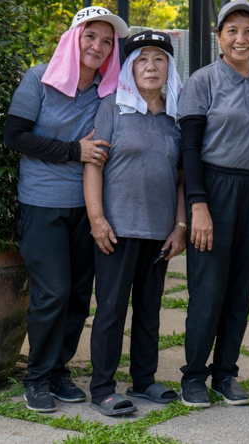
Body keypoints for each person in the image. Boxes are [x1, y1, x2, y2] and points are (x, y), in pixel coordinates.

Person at [4, 6, 129, 413]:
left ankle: (58, 371)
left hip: (88, 207)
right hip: (42, 204)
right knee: (52, 291)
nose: (98, 46)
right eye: (90, 36)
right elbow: (16, 136)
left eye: (107, 41)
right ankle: (36, 377)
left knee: (77, 295)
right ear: (73, 37)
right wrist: (74, 150)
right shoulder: (38, 78)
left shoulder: (108, 92)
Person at [176, 0, 249, 408]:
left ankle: (226, 374)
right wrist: (198, 206)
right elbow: (188, 149)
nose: (241, 38)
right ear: (218, 37)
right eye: (232, 30)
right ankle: (194, 376)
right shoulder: (203, 81)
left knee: (240, 290)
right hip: (212, 188)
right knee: (208, 289)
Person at [84, 30, 187, 416]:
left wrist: (180, 226)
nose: (151, 67)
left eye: (159, 59)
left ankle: (144, 379)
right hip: (116, 229)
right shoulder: (113, 108)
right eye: (142, 59)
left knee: (149, 310)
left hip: (158, 233)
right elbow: (93, 164)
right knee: (111, 310)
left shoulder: (176, 116)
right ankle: (102, 388)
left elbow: (180, 177)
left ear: (169, 68)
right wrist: (97, 219)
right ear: (130, 67)